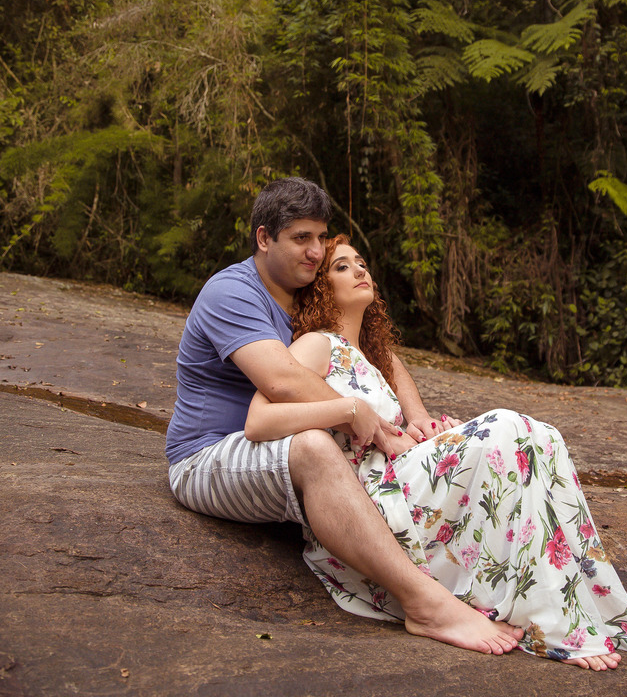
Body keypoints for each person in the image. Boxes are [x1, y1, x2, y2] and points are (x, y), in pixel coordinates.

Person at [244, 235, 627, 669]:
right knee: (507, 428)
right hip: (365, 498)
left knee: (541, 437)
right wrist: (350, 411)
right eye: (342, 266)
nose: (360, 270)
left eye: (361, 263)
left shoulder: (374, 357)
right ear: (321, 287)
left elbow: (403, 428)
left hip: (405, 477)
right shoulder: (317, 343)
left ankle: (583, 603)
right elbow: (258, 421)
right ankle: (550, 618)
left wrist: (437, 436)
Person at [165, 177, 523, 656]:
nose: (315, 252)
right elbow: (282, 382)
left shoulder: (302, 290)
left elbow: (371, 352)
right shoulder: (233, 292)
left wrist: (415, 416)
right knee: (315, 446)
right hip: (212, 456)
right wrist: (370, 423)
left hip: (281, 447)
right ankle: (423, 603)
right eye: (301, 238)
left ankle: (495, 582)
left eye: (320, 237)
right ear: (264, 238)